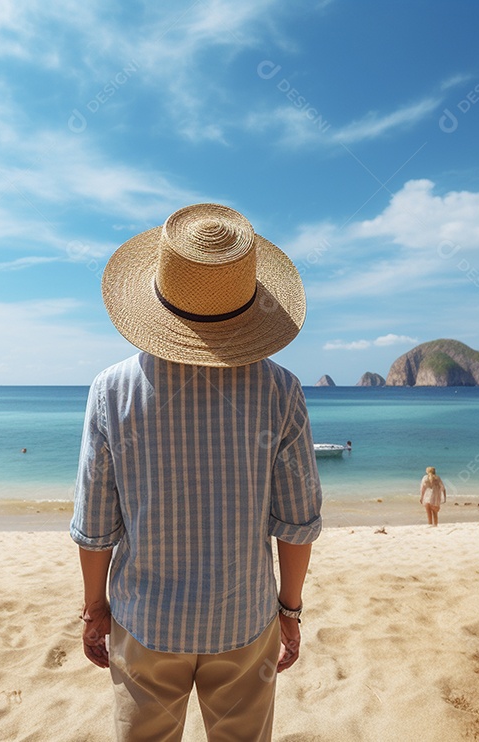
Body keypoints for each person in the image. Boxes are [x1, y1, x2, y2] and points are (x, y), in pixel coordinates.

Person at [71, 203, 322, 742]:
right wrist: (290, 612)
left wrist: (95, 610)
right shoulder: (281, 391)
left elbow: (95, 526)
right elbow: (298, 522)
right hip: (244, 617)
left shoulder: (111, 392)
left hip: (145, 622)